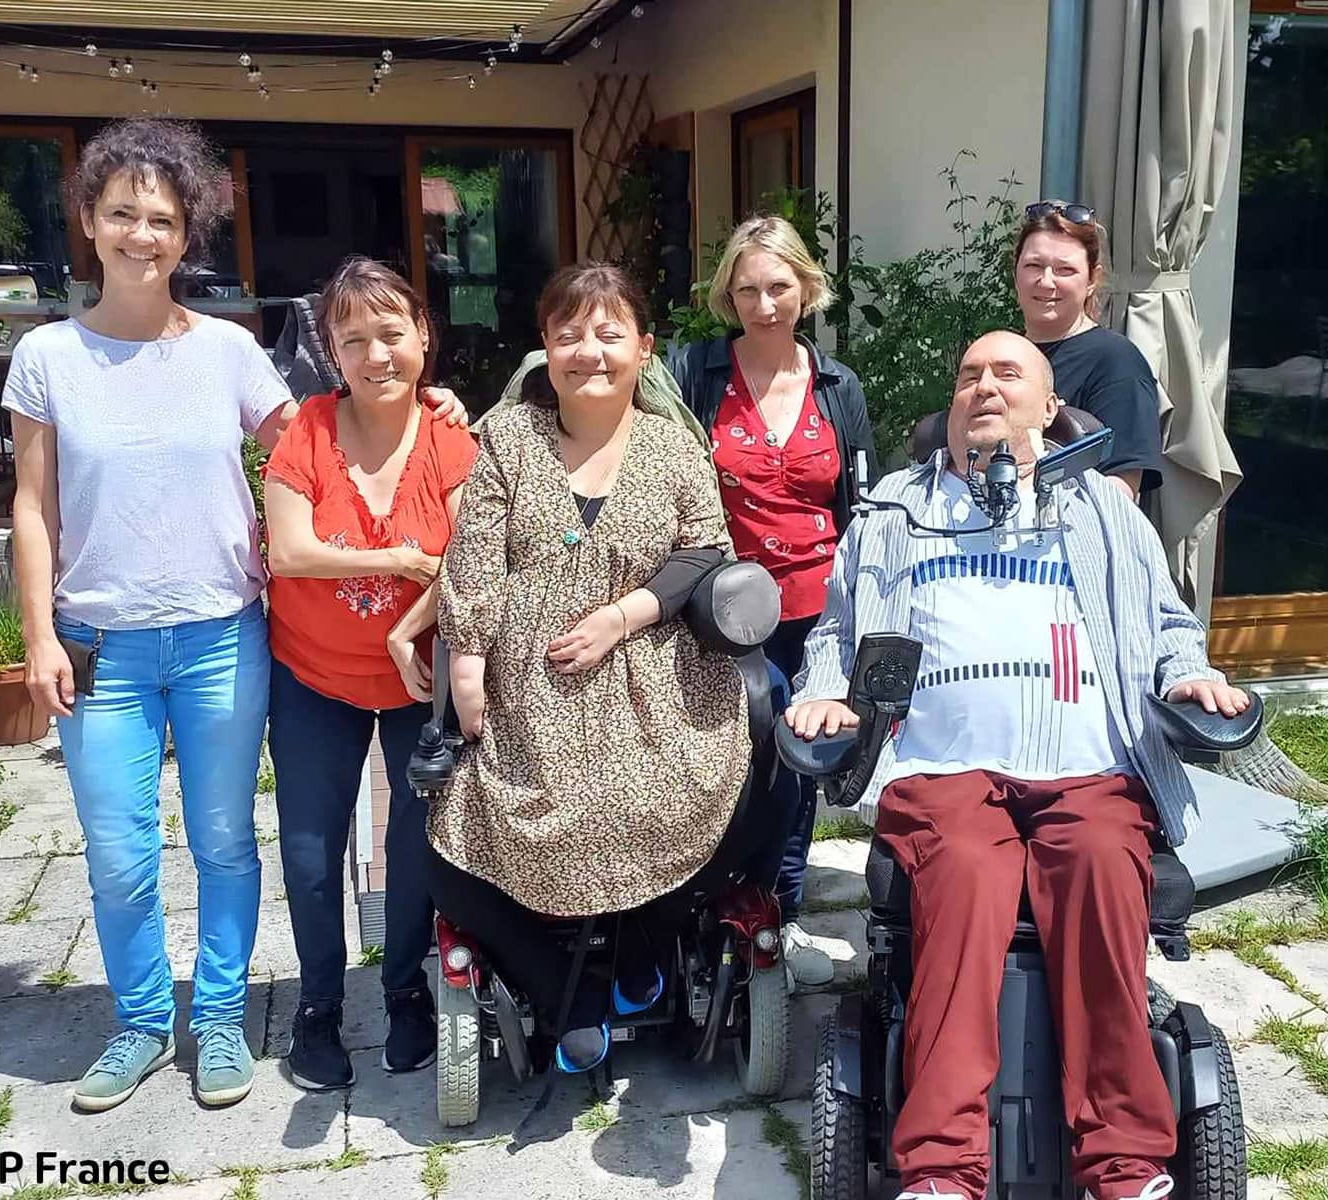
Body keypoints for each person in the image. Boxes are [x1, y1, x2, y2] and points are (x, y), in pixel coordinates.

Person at [5, 118, 467, 1114]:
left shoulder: (228, 353)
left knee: (224, 840)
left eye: (160, 217)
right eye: (121, 213)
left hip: (221, 634)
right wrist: (38, 631)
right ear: (88, 222)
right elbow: (30, 507)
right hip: (99, 643)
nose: (140, 233)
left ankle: (218, 1019)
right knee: (120, 850)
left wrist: (440, 409)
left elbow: (330, 425)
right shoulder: (47, 355)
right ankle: (138, 1023)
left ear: (185, 233)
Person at [786, 330, 1248, 1200]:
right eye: (967, 376)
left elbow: (1169, 625)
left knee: (1105, 867)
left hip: (1086, 764)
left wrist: (1189, 676)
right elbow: (836, 632)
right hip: (942, 765)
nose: (984, 387)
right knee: (960, 875)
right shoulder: (892, 508)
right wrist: (822, 690)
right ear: (948, 413)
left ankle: (1123, 1164)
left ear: (1050, 409)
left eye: (1008, 374)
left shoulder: (1103, 511)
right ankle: (942, 1170)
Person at [427, 263, 767, 1072]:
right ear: (544, 347)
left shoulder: (673, 446)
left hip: (651, 675)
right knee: (454, 852)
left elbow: (703, 550)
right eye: (569, 334)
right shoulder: (508, 437)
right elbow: (472, 556)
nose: (589, 352)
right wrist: (467, 661)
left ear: (643, 350)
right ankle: (563, 989)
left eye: (610, 334)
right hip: (526, 682)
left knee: (687, 806)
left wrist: (621, 616)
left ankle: (646, 946)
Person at [262, 257, 477, 1089]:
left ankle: (404, 991)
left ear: (423, 337)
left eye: (392, 333)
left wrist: (409, 628)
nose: (376, 354)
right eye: (354, 340)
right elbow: (288, 551)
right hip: (312, 674)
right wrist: (400, 557)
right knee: (311, 851)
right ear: (332, 352)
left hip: (417, 681)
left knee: (415, 841)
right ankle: (318, 1007)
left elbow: (465, 561)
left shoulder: (452, 438)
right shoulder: (308, 430)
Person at [668, 215, 876, 990]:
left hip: (817, 608)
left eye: (779, 286)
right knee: (724, 757)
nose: (764, 303)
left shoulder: (836, 384)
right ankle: (705, 903)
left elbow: (860, 504)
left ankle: (777, 917)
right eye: (748, 288)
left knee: (794, 767)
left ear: (806, 289)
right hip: (723, 609)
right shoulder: (695, 372)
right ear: (729, 293)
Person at [1015, 200, 1163, 501]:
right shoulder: (1003, 357)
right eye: (1033, 265)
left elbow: (1122, 491)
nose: (1046, 281)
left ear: (1092, 280)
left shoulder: (1117, 361)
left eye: (1065, 269)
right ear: (1015, 271)